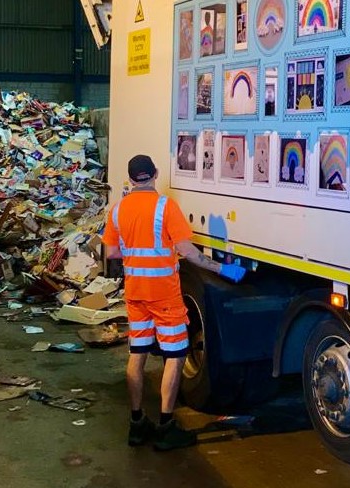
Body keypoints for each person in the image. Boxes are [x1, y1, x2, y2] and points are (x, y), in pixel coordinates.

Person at [102, 154, 246, 451]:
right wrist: (222, 269)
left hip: (135, 294)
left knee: (137, 353)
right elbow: (188, 252)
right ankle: (166, 426)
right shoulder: (166, 207)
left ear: (130, 179)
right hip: (164, 295)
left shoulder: (117, 210)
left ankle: (137, 422)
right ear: (154, 174)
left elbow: (113, 253)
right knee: (175, 356)